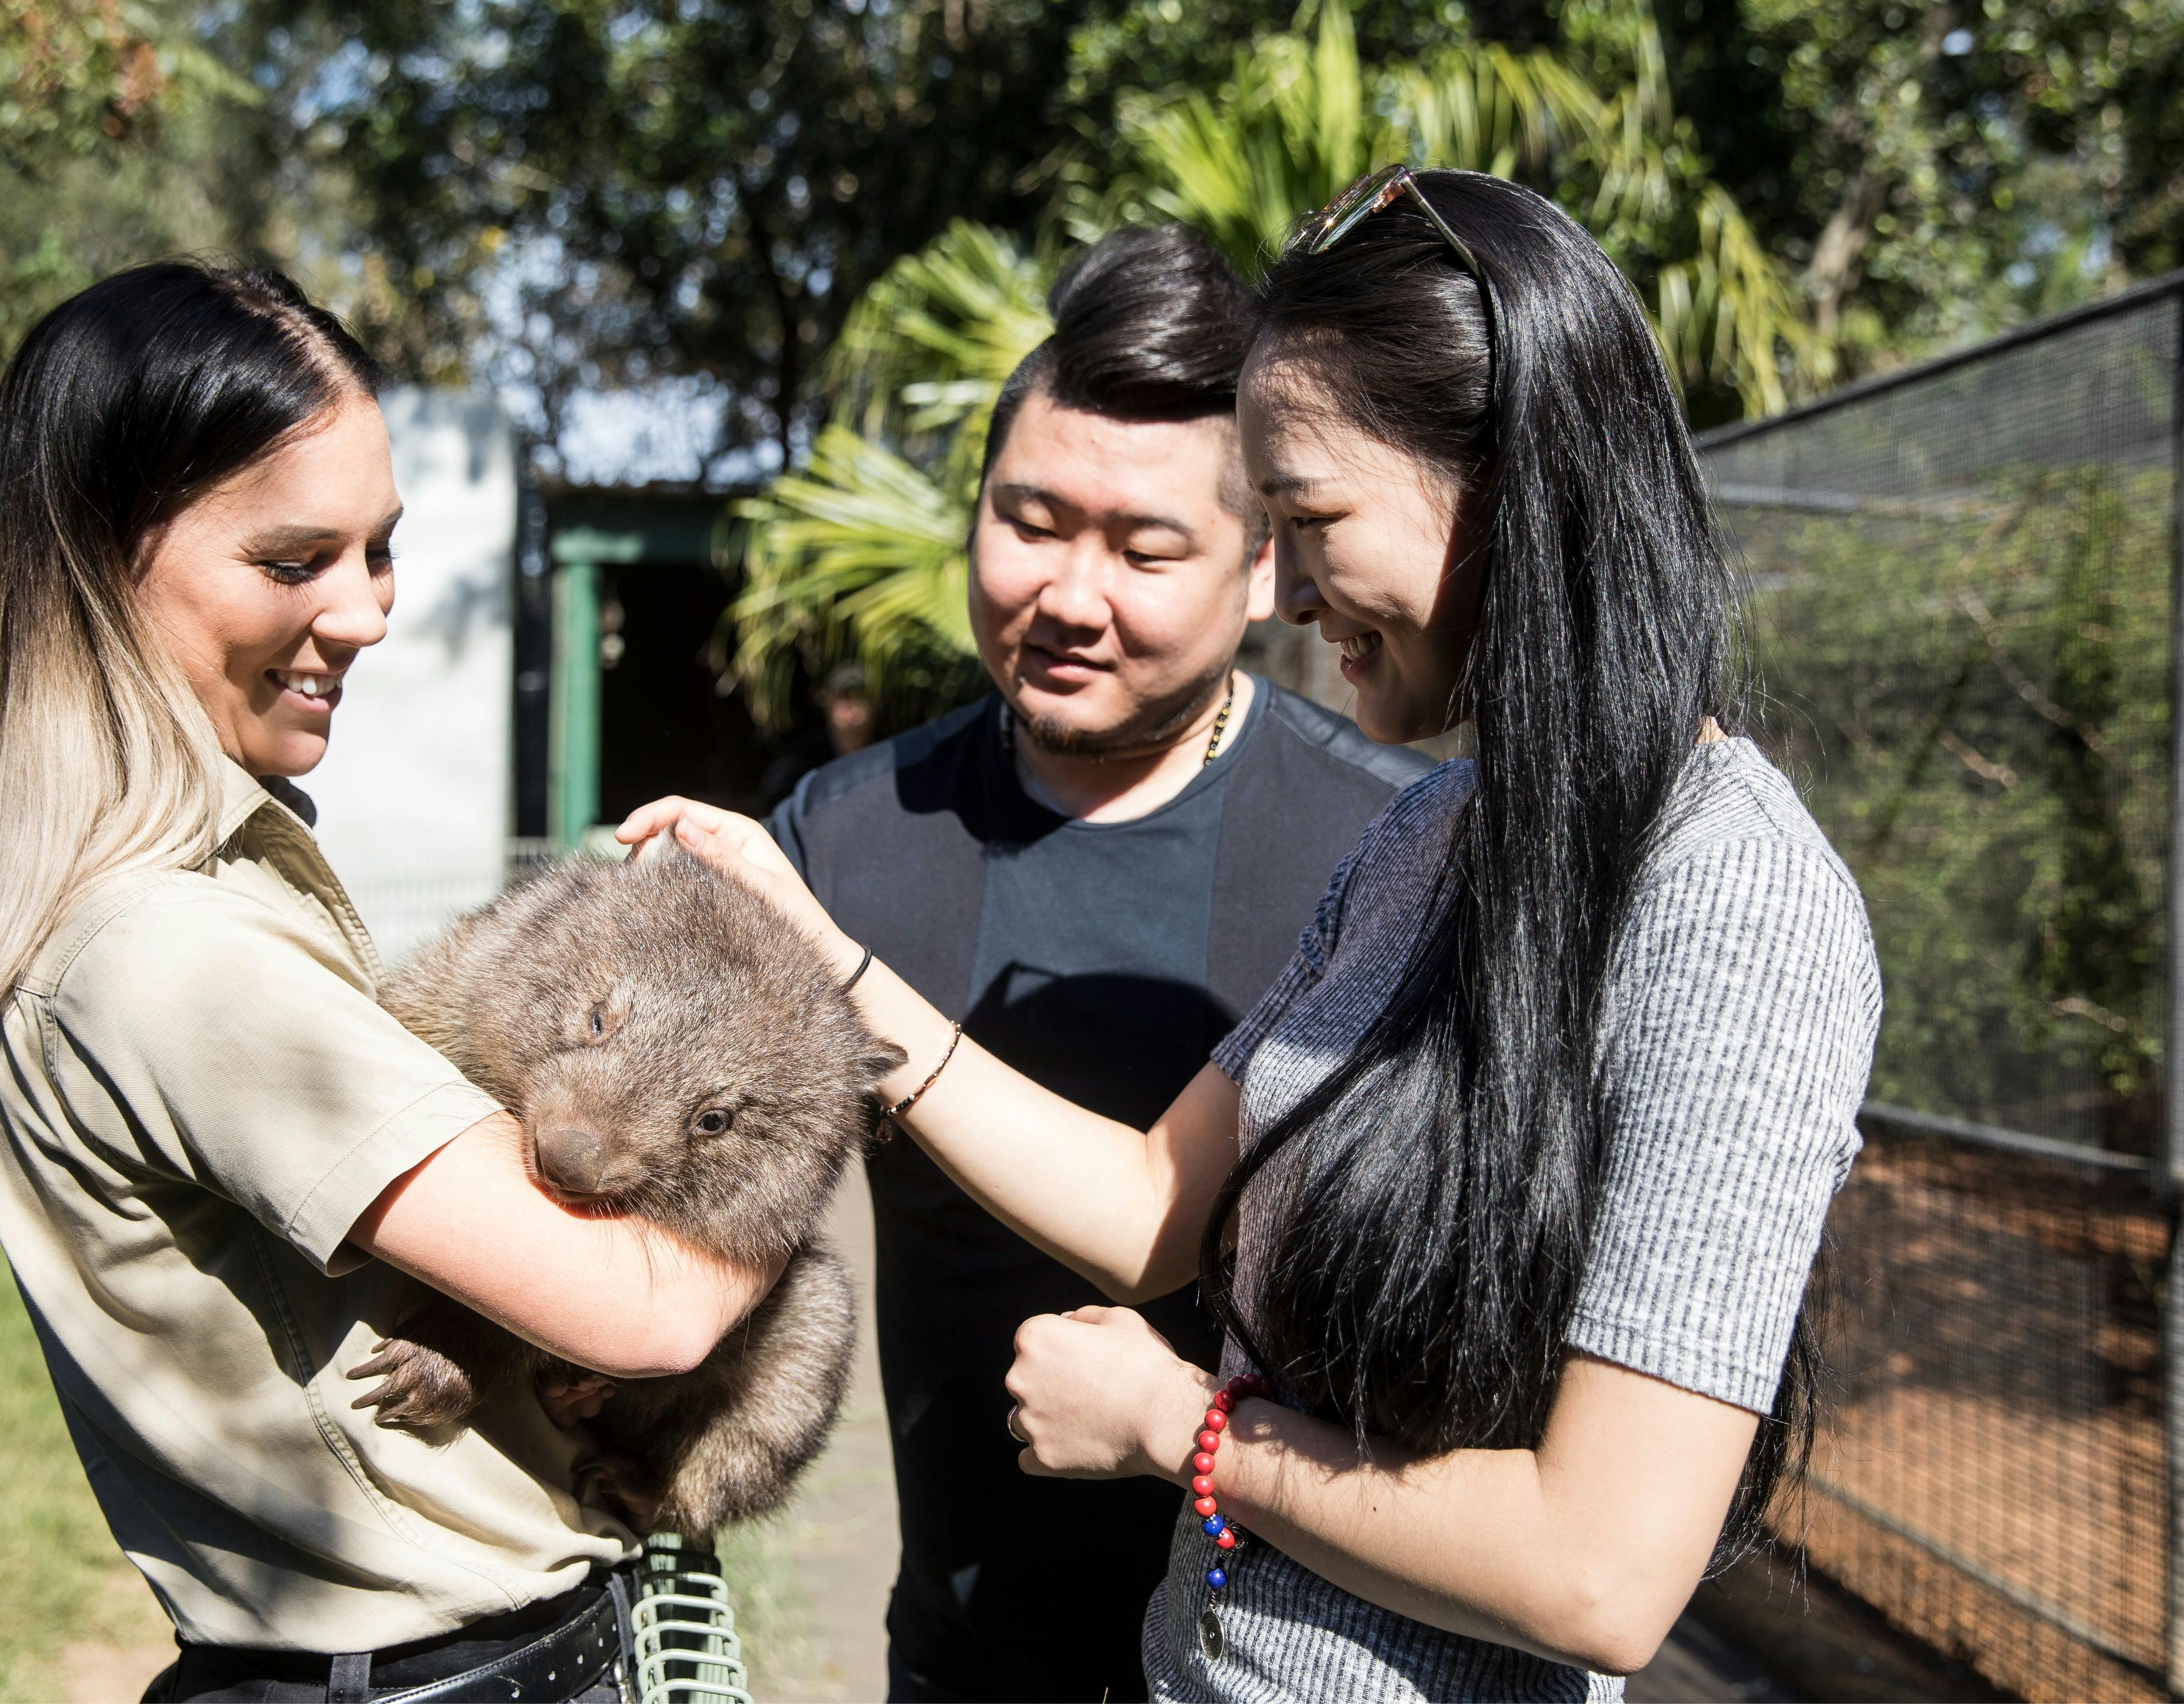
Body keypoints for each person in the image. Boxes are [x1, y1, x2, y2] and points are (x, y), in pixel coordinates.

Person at [623, 167, 1880, 1702]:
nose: (1279, 586)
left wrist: (1185, 1435)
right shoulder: (1435, 838)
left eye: (1309, 520)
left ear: (1516, 484)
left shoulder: (1732, 899)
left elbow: (1602, 1575)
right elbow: (1157, 1198)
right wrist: (823, 952)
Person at [0, 262, 776, 1702]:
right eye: (293, 561)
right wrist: (810, 1045)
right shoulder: (168, 951)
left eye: (380, 551)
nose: (369, 613)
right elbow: (649, 1313)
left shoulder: (171, 887)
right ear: (99, 558)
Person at [764, 225, 1428, 1702]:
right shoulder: (846, 836)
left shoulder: (1384, 858)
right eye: (1030, 520)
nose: (1068, 593)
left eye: (1143, 549)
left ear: (1267, 568)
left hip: (1283, 1664)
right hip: (957, 1662)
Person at [758, 660, 876, 810]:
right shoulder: (803, 757)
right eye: (845, 699)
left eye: (861, 699)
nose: (854, 710)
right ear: (828, 700)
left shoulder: (884, 751)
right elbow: (775, 798)